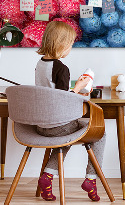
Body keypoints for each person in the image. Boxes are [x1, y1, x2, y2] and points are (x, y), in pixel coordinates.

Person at [35, 21, 105, 202]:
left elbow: (52, 93)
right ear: (62, 44)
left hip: (41, 125)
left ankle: (47, 177)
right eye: (71, 44)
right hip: (58, 125)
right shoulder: (61, 68)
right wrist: (80, 87)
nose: (70, 48)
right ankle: (91, 179)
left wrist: (74, 88)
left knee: (65, 136)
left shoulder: (40, 64)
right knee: (100, 133)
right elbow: (63, 100)